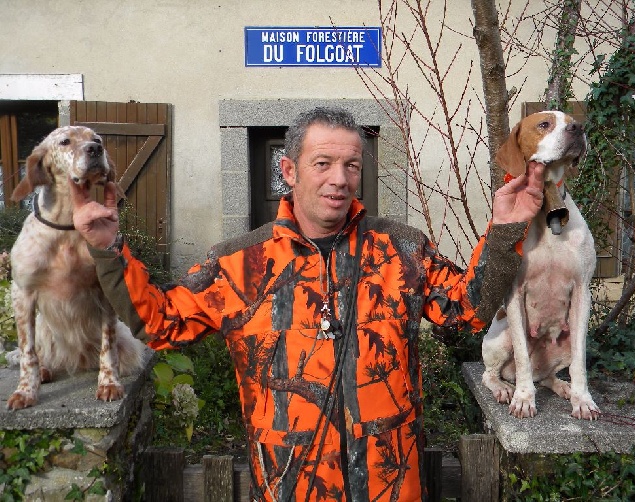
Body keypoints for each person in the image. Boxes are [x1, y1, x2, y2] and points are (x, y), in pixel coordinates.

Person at [71, 107, 544, 502]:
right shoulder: (239, 264)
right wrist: (109, 251)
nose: (340, 180)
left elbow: (467, 312)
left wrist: (505, 230)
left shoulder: (401, 249)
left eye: (352, 165)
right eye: (323, 163)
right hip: (288, 487)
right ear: (289, 170)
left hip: (391, 485)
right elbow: (159, 322)